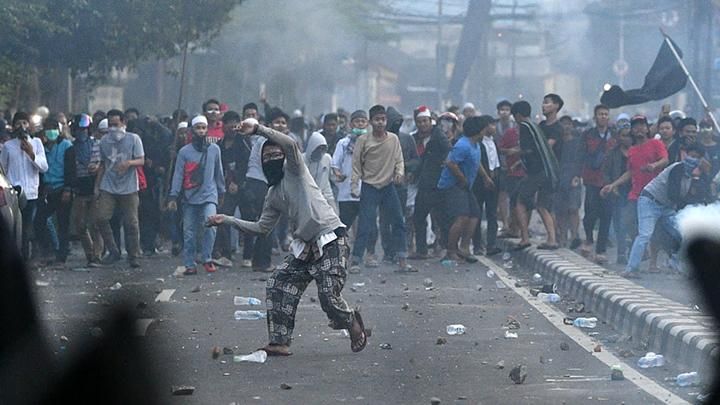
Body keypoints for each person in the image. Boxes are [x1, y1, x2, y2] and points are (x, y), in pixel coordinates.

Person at [207, 117, 368, 356]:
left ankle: (352, 322)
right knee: (277, 282)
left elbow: (291, 146)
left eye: (276, 155)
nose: (272, 159)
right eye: (267, 156)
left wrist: (260, 130)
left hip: (331, 239)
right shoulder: (272, 194)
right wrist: (227, 220)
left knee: (327, 297)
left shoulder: (295, 170)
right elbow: (262, 228)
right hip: (306, 247)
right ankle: (280, 340)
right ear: (261, 162)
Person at [622, 143, 706, 277]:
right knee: (645, 234)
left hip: (666, 207)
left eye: (697, 157)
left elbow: (698, 196)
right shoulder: (677, 169)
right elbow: (674, 194)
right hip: (650, 202)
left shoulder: (692, 176)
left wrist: (700, 178)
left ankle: (675, 262)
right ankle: (631, 269)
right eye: (691, 155)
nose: (693, 159)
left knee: (680, 233)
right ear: (685, 155)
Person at [350, 105, 412, 273]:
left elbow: (399, 160)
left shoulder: (393, 139)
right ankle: (356, 260)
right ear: (371, 122)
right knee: (365, 224)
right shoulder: (363, 140)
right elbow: (356, 164)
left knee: (398, 221)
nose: (380, 122)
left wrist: (399, 173)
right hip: (370, 186)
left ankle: (402, 260)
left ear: (386, 121)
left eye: (383, 119)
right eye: (377, 119)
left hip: (388, 186)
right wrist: (354, 185)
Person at [168, 115, 225, 275]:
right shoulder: (184, 152)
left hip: (209, 195)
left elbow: (218, 173)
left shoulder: (214, 150)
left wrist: (222, 191)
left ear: (207, 129)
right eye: (197, 128)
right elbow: (178, 175)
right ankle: (189, 263)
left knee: (211, 226)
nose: (201, 131)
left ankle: (207, 258)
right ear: (192, 130)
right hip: (189, 197)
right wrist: (173, 196)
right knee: (189, 232)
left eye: (203, 128)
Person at [601, 115, 669, 246]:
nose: (639, 128)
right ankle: (639, 246)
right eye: (636, 126)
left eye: (642, 125)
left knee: (655, 226)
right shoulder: (632, 150)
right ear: (632, 130)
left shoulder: (656, 143)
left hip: (653, 193)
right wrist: (613, 185)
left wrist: (654, 165)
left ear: (647, 128)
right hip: (636, 192)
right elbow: (630, 172)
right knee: (626, 220)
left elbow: (665, 160)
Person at [94, 109, 145, 268]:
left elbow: (141, 160)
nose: (113, 128)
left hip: (129, 186)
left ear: (124, 123)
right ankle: (113, 250)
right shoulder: (104, 141)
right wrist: (97, 186)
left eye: (116, 124)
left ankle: (133, 255)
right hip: (108, 185)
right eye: (110, 125)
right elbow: (103, 164)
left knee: (131, 223)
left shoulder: (133, 139)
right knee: (101, 217)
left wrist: (128, 163)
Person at [437, 115, 492, 262]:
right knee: (462, 216)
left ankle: (465, 247)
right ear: (479, 131)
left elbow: (476, 162)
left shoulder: (476, 145)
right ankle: (451, 250)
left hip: (465, 186)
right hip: (452, 185)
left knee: (475, 214)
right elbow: (450, 163)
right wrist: (462, 179)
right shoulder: (463, 145)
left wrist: (486, 177)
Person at [331, 110, 379, 260]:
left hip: (367, 190)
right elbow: (335, 163)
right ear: (351, 124)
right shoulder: (343, 144)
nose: (360, 124)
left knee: (370, 225)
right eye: (357, 121)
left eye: (363, 121)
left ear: (367, 124)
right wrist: (338, 174)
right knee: (343, 225)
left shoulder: (374, 143)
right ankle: (340, 254)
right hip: (346, 192)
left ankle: (370, 254)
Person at [0, 112, 48, 260]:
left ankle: (27, 257)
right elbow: (3, 168)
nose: (22, 126)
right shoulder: (8, 146)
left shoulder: (37, 143)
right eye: (18, 123)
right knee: (16, 227)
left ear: (29, 125)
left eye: (25, 123)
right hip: (14, 193)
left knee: (28, 226)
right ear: (13, 126)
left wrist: (31, 153)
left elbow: (44, 167)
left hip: (31, 192)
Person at [512, 101, 560, 250]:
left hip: (537, 172)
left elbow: (528, 150)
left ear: (518, 115)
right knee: (542, 206)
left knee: (518, 199)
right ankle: (552, 240)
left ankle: (525, 237)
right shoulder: (535, 126)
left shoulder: (525, 127)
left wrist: (512, 152)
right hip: (547, 171)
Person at [411, 108, 452, 259]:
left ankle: (445, 247)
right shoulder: (416, 138)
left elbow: (449, 151)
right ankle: (422, 250)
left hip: (437, 184)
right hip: (425, 183)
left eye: (425, 121)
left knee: (440, 218)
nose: (422, 125)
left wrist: (443, 165)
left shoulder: (438, 136)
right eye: (419, 122)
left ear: (430, 121)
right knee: (419, 217)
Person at [213, 111, 249, 266]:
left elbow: (247, 165)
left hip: (245, 188)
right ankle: (226, 254)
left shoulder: (245, 143)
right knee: (224, 218)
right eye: (229, 123)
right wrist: (226, 185)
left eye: (235, 123)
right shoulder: (219, 146)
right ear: (223, 125)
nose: (232, 127)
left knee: (248, 221)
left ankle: (248, 256)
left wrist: (238, 182)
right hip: (226, 188)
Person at [580, 104, 615, 262]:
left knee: (607, 215)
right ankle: (588, 238)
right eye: (600, 114)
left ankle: (601, 249)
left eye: (606, 114)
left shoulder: (615, 135)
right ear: (595, 117)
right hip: (591, 179)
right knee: (590, 213)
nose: (603, 116)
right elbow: (580, 155)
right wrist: (577, 174)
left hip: (608, 180)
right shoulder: (587, 135)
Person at [67, 114, 103, 267]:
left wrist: (97, 168)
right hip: (80, 190)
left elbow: (105, 163)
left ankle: (97, 255)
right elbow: (69, 171)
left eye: (85, 129)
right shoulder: (71, 148)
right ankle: (89, 254)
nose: (82, 132)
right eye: (79, 129)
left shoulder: (98, 145)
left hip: (96, 188)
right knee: (80, 225)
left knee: (95, 224)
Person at [603, 121, 633, 264]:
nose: (626, 138)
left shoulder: (637, 151)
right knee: (619, 222)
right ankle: (621, 252)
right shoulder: (612, 153)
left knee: (633, 222)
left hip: (635, 190)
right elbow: (606, 172)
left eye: (628, 135)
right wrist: (611, 185)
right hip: (618, 191)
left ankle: (635, 251)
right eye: (623, 135)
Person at [472, 115, 502, 256]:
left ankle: (491, 244)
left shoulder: (493, 142)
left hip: (494, 181)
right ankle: (477, 244)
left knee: (492, 213)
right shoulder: (478, 143)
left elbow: (495, 161)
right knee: (477, 213)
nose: (494, 128)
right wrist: (485, 177)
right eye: (492, 125)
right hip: (479, 182)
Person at [554, 116, 585, 249]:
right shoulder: (557, 144)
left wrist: (577, 175)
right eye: (563, 124)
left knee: (573, 208)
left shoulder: (578, 143)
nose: (566, 127)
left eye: (568, 124)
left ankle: (574, 236)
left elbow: (580, 160)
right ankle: (562, 236)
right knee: (560, 210)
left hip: (574, 178)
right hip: (559, 178)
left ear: (572, 126)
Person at [304, 131, 337, 213]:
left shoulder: (327, 158)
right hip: (306, 197)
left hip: (325, 195)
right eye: (318, 148)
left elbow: (331, 176)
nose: (320, 151)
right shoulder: (301, 160)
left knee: (334, 219)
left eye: (323, 149)